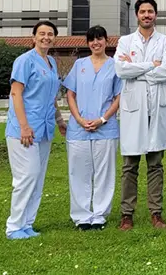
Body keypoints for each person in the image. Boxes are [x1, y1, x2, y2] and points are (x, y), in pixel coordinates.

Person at [115, 0, 166, 231]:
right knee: (129, 165)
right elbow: (121, 69)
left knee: (155, 165)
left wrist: (137, 69)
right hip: (134, 110)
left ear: (156, 15)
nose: (147, 15)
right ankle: (127, 214)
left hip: (157, 110)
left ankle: (156, 213)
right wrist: (152, 65)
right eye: (143, 11)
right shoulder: (125, 41)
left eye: (150, 11)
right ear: (137, 15)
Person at [4, 20, 67, 240]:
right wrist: (23, 126)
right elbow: (16, 94)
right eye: (42, 33)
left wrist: (60, 121)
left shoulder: (51, 62)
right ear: (34, 37)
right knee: (26, 176)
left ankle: (27, 223)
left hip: (45, 128)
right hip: (24, 129)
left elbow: (51, 98)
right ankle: (14, 226)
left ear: (54, 38)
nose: (46, 37)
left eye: (50, 34)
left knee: (38, 178)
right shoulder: (24, 61)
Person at [63, 25, 121, 231]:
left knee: (104, 173)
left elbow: (118, 97)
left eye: (100, 39)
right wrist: (78, 119)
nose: (96, 43)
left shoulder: (115, 65)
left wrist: (102, 119)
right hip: (78, 129)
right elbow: (70, 94)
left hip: (106, 128)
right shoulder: (80, 65)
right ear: (88, 43)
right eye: (91, 40)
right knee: (78, 173)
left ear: (107, 41)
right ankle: (81, 216)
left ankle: (99, 215)